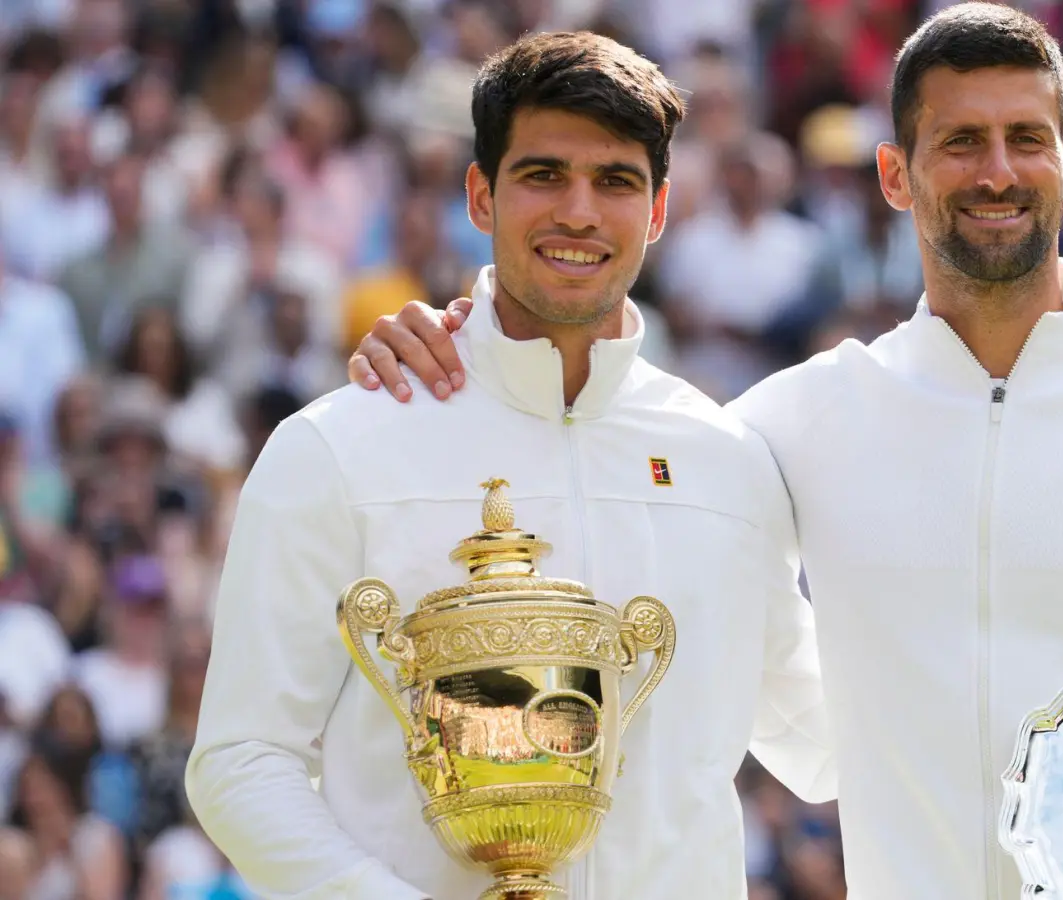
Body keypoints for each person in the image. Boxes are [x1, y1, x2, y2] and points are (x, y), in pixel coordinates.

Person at [347, 6, 1063, 899]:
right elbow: (596, 429)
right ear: (896, 174)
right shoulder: (790, 423)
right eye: (958, 141)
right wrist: (466, 348)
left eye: (1025, 139)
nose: (995, 172)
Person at [185, 31, 834, 900]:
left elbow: (825, 743)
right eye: (543, 175)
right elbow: (240, 761)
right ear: (480, 196)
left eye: (616, 181)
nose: (579, 212)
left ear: (661, 208)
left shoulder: (728, 462)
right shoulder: (337, 446)